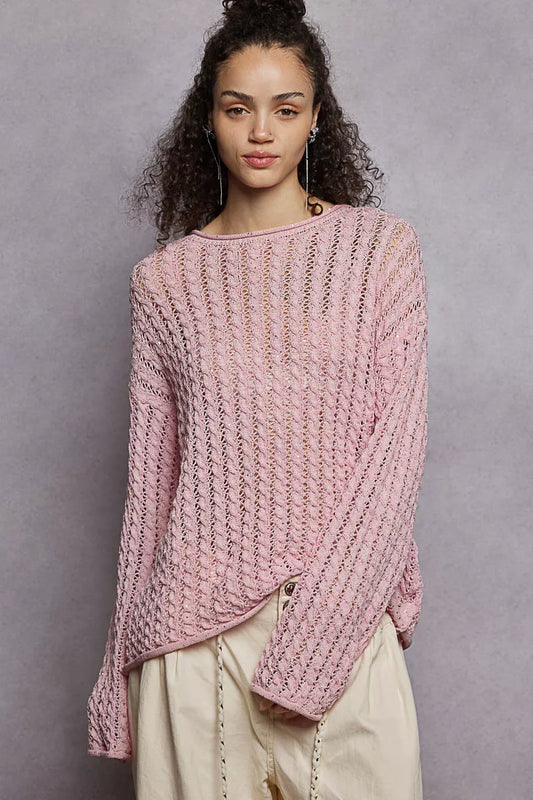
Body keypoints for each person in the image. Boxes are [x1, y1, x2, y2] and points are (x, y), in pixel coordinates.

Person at [87, 1, 429, 798]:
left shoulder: (379, 251)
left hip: (339, 629)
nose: (261, 132)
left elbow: (395, 457)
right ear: (207, 120)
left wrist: (317, 643)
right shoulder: (164, 283)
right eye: (237, 108)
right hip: (187, 649)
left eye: (286, 107)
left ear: (317, 118)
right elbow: (151, 493)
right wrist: (116, 673)